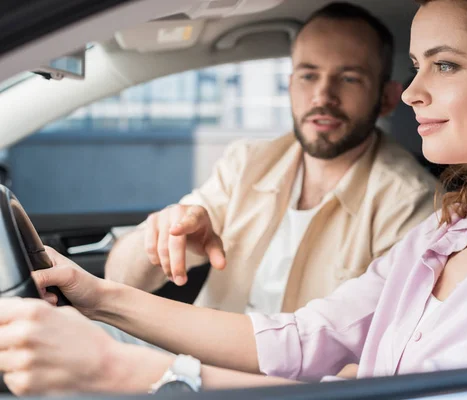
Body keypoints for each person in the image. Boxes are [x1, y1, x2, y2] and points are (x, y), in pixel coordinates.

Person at [2, 0, 467, 395]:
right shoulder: (446, 233)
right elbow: (301, 338)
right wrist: (95, 293)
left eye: (444, 65)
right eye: (417, 66)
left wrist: (131, 373)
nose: (416, 90)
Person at [104, 2, 437, 317]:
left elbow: (378, 355)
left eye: (349, 78)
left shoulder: (412, 206)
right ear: (291, 85)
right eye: (308, 75)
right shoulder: (246, 163)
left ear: (388, 98)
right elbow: (120, 279)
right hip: (194, 364)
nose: (323, 96)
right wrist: (164, 242)